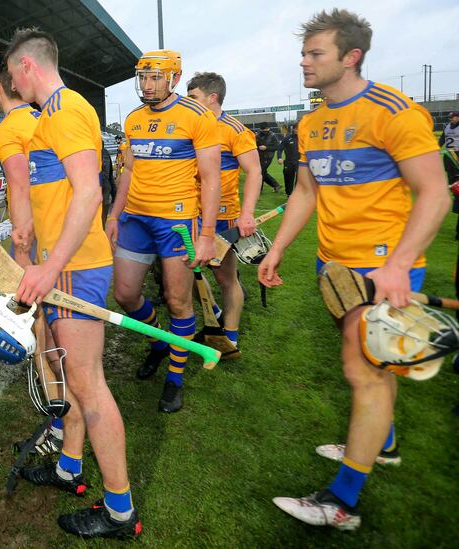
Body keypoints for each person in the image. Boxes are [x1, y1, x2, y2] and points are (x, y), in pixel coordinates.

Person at [259, 9, 449, 530]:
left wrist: (400, 264)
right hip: (333, 264)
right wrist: (277, 249)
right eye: (303, 53)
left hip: (384, 266)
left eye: (315, 53)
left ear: (351, 56)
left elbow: (434, 193)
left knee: (362, 374)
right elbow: (305, 192)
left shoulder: (394, 111)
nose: (304, 62)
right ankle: (380, 444)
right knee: (370, 369)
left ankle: (341, 502)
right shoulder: (312, 120)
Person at [5, 27, 142, 539]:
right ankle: (69, 469)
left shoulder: (64, 112)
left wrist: (47, 266)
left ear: (26, 68)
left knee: (88, 387)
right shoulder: (53, 115)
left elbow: (88, 193)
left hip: (75, 268)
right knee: (72, 378)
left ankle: (119, 511)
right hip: (67, 264)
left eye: (12, 72)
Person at [106, 50, 220, 413]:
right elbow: (128, 171)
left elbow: (212, 178)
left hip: (177, 222)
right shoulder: (134, 119)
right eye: (143, 77)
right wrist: (114, 214)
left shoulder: (197, 116)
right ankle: (158, 340)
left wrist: (206, 235)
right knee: (124, 294)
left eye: (155, 77)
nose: (147, 85)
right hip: (135, 219)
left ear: (174, 77)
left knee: (178, 301)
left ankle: (174, 378)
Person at [0, 62, 64, 455]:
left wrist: (20, 248)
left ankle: (61, 425)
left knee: (43, 335)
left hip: (41, 243)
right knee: (60, 331)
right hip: (69, 237)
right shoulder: (47, 116)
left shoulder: (6, 130)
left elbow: (19, 182)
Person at [187, 71, 262, 351]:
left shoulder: (234, 130)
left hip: (223, 217)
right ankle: (215, 313)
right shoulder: (191, 125)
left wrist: (247, 213)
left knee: (225, 277)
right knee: (188, 272)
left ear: (212, 97)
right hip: (190, 215)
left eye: (194, 97)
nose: (189, 102)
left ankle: (229, 336)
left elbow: (254, 172)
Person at [439, 111, 459, 238]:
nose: (451, 119)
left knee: (457, 178)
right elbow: (442, 139)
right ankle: (454, 194)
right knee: (451, 178)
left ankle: (456, 196)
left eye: (452, 117)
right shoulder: (447, 126)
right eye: (450, 117)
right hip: (448, 156)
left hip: (458, 155)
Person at [256, 122, 281, 192]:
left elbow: (277, 146)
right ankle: (276, 185)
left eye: (266, 129)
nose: (265, 131)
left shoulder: (273, 135)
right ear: (260, 129)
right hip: (259, 156)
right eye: (263, 130)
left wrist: (266, 148)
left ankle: (259, 189)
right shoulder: (257, 135)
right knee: (263, 172)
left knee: (260, 172)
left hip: (268, 157)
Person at [277, 123, 300, 196]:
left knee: (300, 180)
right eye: (297, 128)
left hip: (300, 163)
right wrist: (279, 158)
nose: (298, 130)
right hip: (288, 162)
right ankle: (289, 194)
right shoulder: (287, 138)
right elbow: (280, 149)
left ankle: (297, 195)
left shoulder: (304, 138)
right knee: (288, 180)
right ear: (294, 129)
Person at [100, 140, 115, 228]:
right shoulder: (106, 153)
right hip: (106, 190)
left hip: (96, 192)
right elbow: (110, 176)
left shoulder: (88, 153)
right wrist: (114, 194)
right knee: (102, 224)